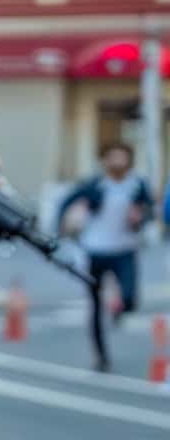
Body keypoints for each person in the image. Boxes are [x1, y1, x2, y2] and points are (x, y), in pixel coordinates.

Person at [59, 141, 153, 364]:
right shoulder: (94, 185)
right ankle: (100, 354)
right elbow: (66, 203)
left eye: (122, 157)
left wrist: (140, 218)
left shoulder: (137, 185)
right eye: (113, 157)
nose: (117, 162)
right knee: (95, 304)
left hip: (124, 250)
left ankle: (119, 309)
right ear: (105, 161)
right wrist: (65, 225)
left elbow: (150, 210)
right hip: (95, 250)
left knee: (129, 298)